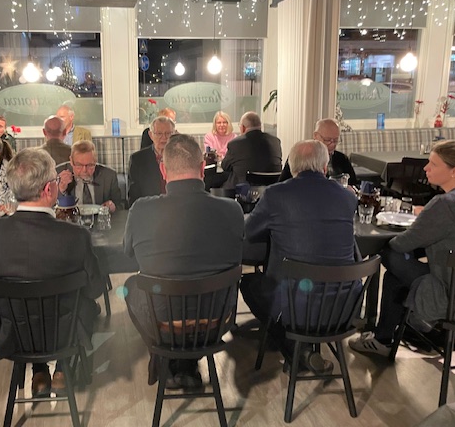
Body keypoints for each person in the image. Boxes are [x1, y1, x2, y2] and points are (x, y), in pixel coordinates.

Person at [0, 148, 104, 397]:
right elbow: (95, 289)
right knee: (83, 306)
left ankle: (40, 372)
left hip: (13, 335)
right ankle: (61, 370)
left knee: (31, 312)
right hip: (64, 334)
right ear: (48, 190)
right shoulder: (76, 236)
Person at [123, 134, 244, 389]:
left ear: (163, 170)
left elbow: (127, 253)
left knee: (131, 285)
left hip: (163, 324)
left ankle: (165, 357)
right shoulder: (233, 210)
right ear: (202, 168)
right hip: (216, 322)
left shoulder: (141, 209)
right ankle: (185, 364)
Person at [350, 140, 455, 357]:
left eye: (433, 164)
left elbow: (401, 244)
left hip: (451, 298)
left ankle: (388, 336)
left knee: (390, 254)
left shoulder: (445, 204)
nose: (426, 168)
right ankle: (393, 335)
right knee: (396, 274)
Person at [240, 140, 357, 373]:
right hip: (343, 306)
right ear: (324, 167)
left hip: (297, 307)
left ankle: (295, 348)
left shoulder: (275, 195)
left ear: (292, 167)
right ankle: (300, 349)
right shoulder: (347, 197)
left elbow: (249, 232)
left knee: (249, 283)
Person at [279, 118, 357, 185]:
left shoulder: (342, 159)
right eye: (328, 140)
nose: (332, 144)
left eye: (336, 140)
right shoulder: (300, 156)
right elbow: (282, 185)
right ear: (316, 136)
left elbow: (354, 184)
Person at [56, 140, 122, 213]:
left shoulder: (109, 175)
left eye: (90, 165)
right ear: (71, 161)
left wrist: (113, 207)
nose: (84, 170)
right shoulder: (57, 173)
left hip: (99, 218)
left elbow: (120, 206)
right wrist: (61, 189)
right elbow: (50, 207)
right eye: (79, 165)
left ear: (95, 161)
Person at [221, 111, 282, 189]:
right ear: (260, 126)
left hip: (243, 191)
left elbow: (225, 166)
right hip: (271, 189)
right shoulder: (275, 142)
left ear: (243, 128)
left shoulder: (235, 144)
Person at [127, 116, 175, 207]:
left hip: (176, 208)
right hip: (149, 209)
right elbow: (134, 197)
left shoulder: (181, 157)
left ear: (174, 134)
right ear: (151, 135)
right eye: (159, 133)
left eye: (168, 133)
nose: (164, 138)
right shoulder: (137, 159)